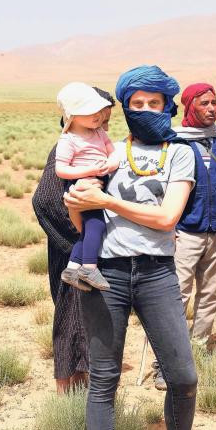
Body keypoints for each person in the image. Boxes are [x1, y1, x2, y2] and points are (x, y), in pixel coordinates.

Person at [64, 65, 198, 430]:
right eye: (136, 103)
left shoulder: (181, 153)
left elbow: (167, 217)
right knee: (104, 380)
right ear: (124, 106)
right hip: (107, 272)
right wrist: (79, 206)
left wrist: (106, 201)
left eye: (154, 102)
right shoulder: (105, 152)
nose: (145, 109)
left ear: (167, 105)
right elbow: (84, 222)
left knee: (184, 378)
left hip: (158, 273)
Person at [31, 86, 114, 394]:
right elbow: (46, 201)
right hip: (72, 252)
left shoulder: (94, 145)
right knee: (70, 319)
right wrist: (80, 241)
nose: (104, 120)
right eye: (99, 113)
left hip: (82, 251)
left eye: (106, 115)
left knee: (85, 321)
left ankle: (84, 389)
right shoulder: (66, 151)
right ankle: (67, 394)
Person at [172, 83, 216, 350]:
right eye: (204, 103)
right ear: (190, 106)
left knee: (212, 292)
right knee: (178, 294)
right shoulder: (175, 140)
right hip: (185, 230)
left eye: (214, 102)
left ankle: (198, 348)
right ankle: (170, 356)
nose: (212, 108)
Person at [55, 82, 121, 291]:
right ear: (72, 115)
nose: (97, 116)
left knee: (90, 228)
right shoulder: (68, 140)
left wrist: (110, 164)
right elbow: (61, 170)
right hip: (82, 185)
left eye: (98, 111)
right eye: (89, 111)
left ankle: (73, 268)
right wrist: (88, 171)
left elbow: (113, 153)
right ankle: (89, 267)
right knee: (96, 226)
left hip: (96, 181)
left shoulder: (99, 133)